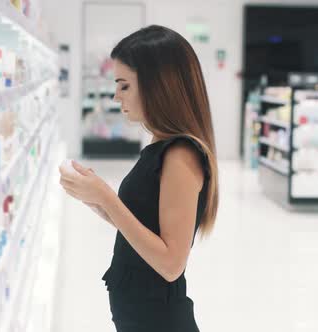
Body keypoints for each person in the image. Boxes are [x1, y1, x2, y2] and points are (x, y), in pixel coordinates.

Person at [58, 25, 219, 332]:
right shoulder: (160, 145)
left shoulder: (180, 154)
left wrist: (106, 196)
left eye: (124, 85)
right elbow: (148, 227)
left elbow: (171, 265)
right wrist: (97, 202)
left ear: (158, 85)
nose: (116, 95)